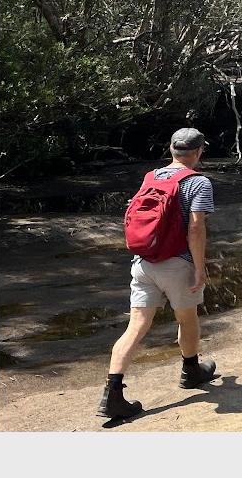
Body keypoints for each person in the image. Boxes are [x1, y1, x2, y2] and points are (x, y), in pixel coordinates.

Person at [97, 128, 219, 420]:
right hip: (177, 264)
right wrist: (199, 268)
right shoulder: (198, 182)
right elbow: (196, 228)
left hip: (144, 261)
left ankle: (111, 395)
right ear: (199, 152)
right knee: (186, 318)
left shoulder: (151, 177)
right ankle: (191, 371)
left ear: (171, 149)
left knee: (136, 325)